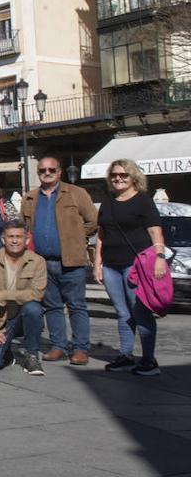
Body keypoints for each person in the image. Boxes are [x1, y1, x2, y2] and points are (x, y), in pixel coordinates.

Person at [20, 155, 98, 366]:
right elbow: (24, 229)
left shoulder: (75, 193)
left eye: (51, 170)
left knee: (76, 305)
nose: (47, 174)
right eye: (42, 171)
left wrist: (75, 237)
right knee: (52, 306)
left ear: (59, 172)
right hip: (43, 262)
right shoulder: (30, 198)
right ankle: (58, 346)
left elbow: (93, 221)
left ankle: (81, 348)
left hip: (71, 260)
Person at [95, 159, 168, 376]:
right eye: (115, 175)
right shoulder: (108, 201)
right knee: (122, 313)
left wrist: (160, 258)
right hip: (111, 265)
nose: (118, 178)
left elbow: (156, 233)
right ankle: (126, 355)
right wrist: (97, 263)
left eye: (124, 175)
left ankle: (148, 360)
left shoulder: (143, 201)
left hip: (135, 265)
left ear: (133, 177)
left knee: (141, 311)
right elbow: (101, 234)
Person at [0, 221, 46, 375]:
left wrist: (3, 294)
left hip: (22, 316)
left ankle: (32, 356)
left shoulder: (37, 262)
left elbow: (37, 293)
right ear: (3, 239)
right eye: (10, 237)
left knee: (33, 308)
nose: (14, 241)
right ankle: (6, 353)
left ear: (27, 239)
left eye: (19, 237)